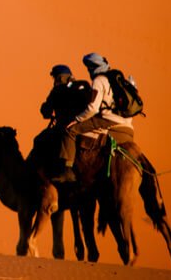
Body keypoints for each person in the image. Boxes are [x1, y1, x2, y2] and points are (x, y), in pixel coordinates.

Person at [56, 52, 134, 183]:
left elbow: (93, 108)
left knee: (70, 130)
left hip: (107, 119)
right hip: (125, 121)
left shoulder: (99, 81)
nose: (89, 71)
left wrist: (76, 120)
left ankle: (67, 170)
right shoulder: (117, 79)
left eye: (89, 68)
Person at [31, 64, 92, 174]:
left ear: (59, 77)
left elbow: (46, 112)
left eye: (55, 77)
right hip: (86, 125)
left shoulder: (57, 90)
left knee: (40, 140)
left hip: (64, 127)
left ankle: (39, 173)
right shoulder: (83, 85)